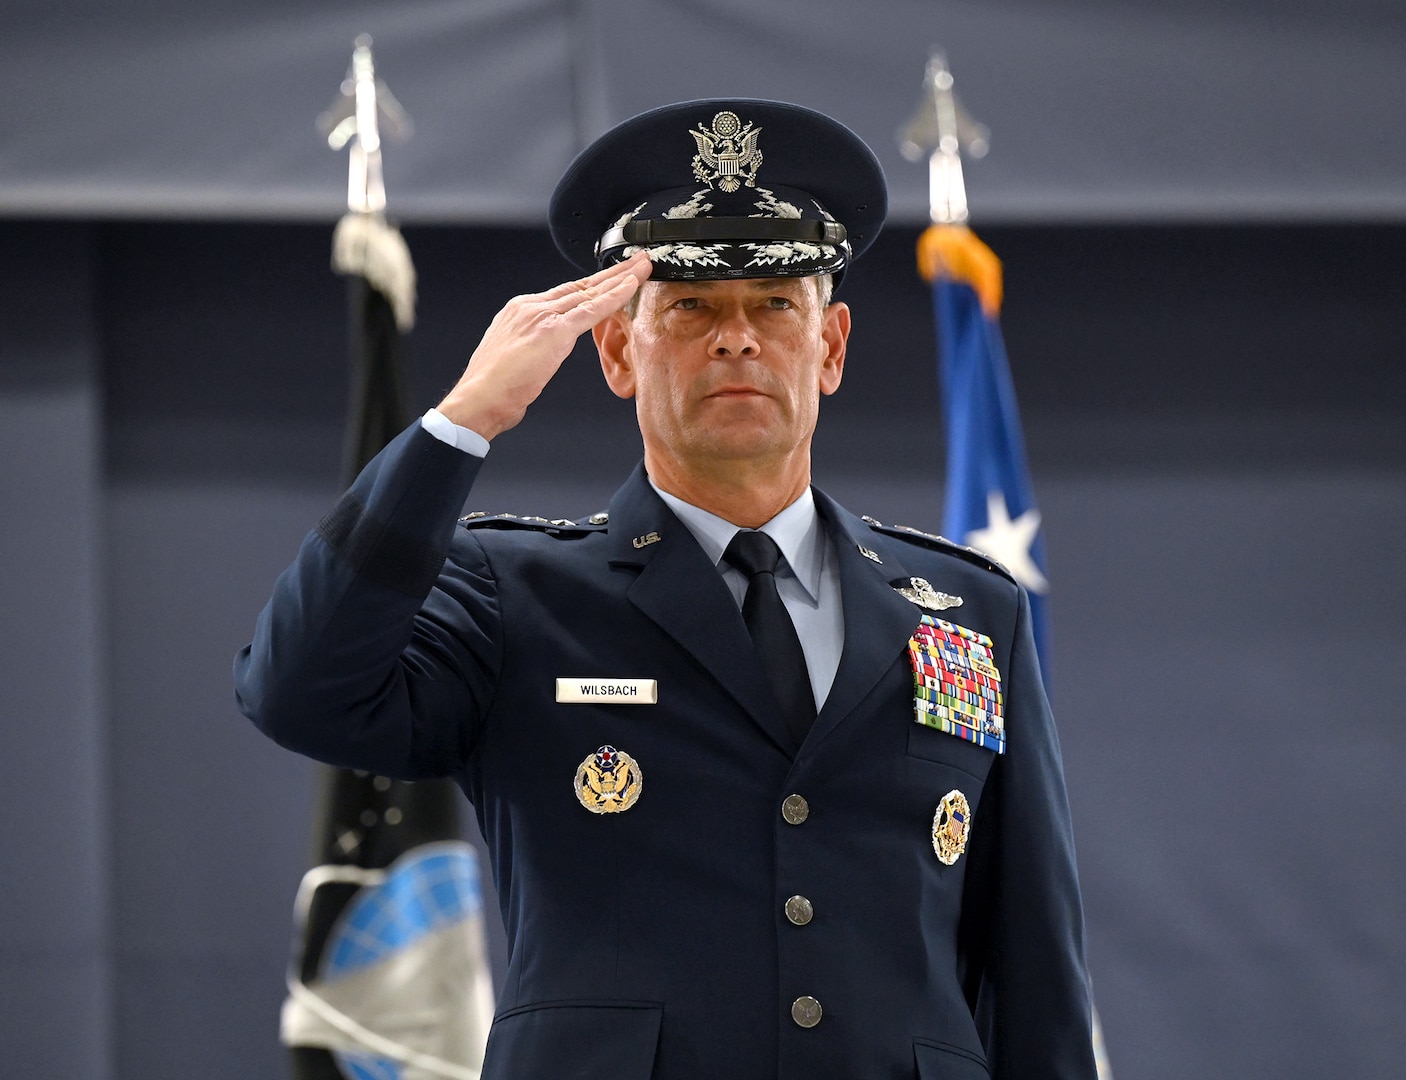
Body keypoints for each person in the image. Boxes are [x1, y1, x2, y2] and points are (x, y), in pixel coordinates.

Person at [236, 99, 1096, 1079]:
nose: (737, 338)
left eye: (775, 302)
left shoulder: (967, 611)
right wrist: (458, 426)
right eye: (690, 306)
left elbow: (1032, 980)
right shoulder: (512, 594)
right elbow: (294, 689)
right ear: (614, 349)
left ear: (830, 347)